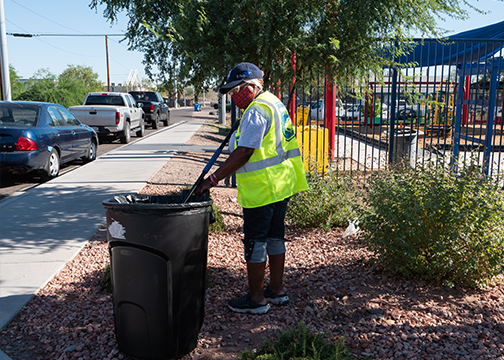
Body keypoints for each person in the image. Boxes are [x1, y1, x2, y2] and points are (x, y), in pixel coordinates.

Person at [195, 62, 308, 314]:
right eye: (231, 92)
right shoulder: (273, 102)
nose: (234, 96)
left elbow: (244, 152)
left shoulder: (257, 111)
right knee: (275, 236)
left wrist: (211, 180)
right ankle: (276, 291)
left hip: (263, 187)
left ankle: (256, 299)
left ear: (253, 86)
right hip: (282, 183)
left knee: (255, 241)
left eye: (238, 90)